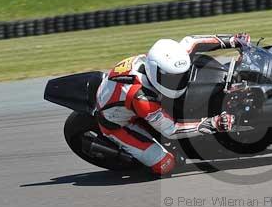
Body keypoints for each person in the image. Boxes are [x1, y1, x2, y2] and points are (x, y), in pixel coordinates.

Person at [94, 33, 250, 176]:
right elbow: (172, 129)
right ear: (156, 71)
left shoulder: (169, 57)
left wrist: (233, 40)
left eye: (182, 75)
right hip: (117, 123)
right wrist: (212, 123)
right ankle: (130, 154)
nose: (179, 81)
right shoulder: (142, 98)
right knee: (167, 164)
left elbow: (193, 41)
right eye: (173, 78)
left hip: (127, 98)